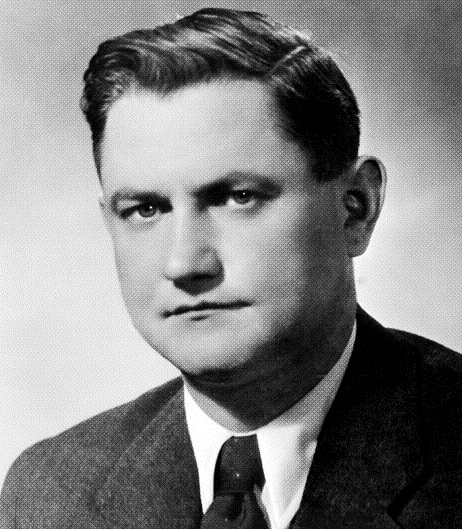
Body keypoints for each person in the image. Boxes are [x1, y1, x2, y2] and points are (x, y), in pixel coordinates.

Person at [1, 8, 461, 529]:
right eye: (146, 210)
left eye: (238, 197)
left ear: (355, 208)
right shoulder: (49, 493)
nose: (184, 264)